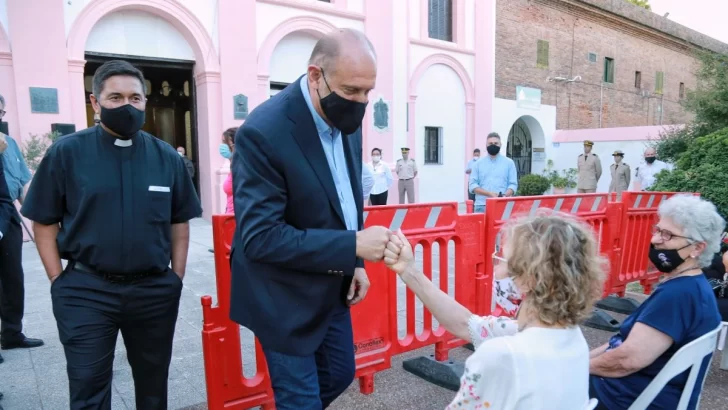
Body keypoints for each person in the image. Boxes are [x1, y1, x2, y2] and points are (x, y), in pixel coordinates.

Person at [20, 60, 202, 410]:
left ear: (145, 102)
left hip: (152, 291)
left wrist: (175, 278)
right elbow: (44, 221)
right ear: (95, 102)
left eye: (135, 98)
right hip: (87, 291)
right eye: (115, 97)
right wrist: (59, 280)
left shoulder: (167, 158)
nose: (126, 105)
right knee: (88, 385)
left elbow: (179, 221)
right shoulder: (66, 153)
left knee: (153, 385)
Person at [230, 29, 391, 409]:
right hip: (280, 295)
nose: (361, 102)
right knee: (300, 399)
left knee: (339, 373)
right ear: (315, 76)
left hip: (329, 283)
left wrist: (354, 263)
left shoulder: (346, 118)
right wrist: (353, 245)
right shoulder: (263, 132)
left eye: (368, 92)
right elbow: (260, 238)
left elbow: (344, 197)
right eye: (352, 91)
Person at [383, 213, 605, 409]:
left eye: (501, 259)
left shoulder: (502, 356)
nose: (496, 270)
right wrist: (409, 271)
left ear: (528, 279)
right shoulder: (571, 337)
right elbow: (465, 324)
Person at [589, 194, 724, 410]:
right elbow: (621, 341)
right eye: (658, 230)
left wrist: (574, 368)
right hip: (643, 393)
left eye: (668, 235)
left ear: (697, 248)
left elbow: (627, 360)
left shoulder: (679, 295)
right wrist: (579, 361)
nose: (655, 239)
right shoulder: (693, 285)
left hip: (626, 399)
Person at [0, 93, 44, 359]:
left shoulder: (11, 143)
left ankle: (11, 334)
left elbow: (23, 184)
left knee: (13, 279)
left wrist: (42, 217)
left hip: (8, 213)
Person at [468, 133, 517, 213]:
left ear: (500, 145)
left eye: (496, 143)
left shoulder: (509, 163)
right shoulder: (478, 164)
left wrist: (504, 195)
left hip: (502, 205)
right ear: (486, 145)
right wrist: (489, 194)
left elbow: (513, 185)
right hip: (481, 206)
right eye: (490, 143)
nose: (493, 145)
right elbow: (472, 185)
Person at [221, 127, 238, 214]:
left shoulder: (241, 165)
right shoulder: (233, 165)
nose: (222, 146)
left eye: (224, 142)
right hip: (230, 215)